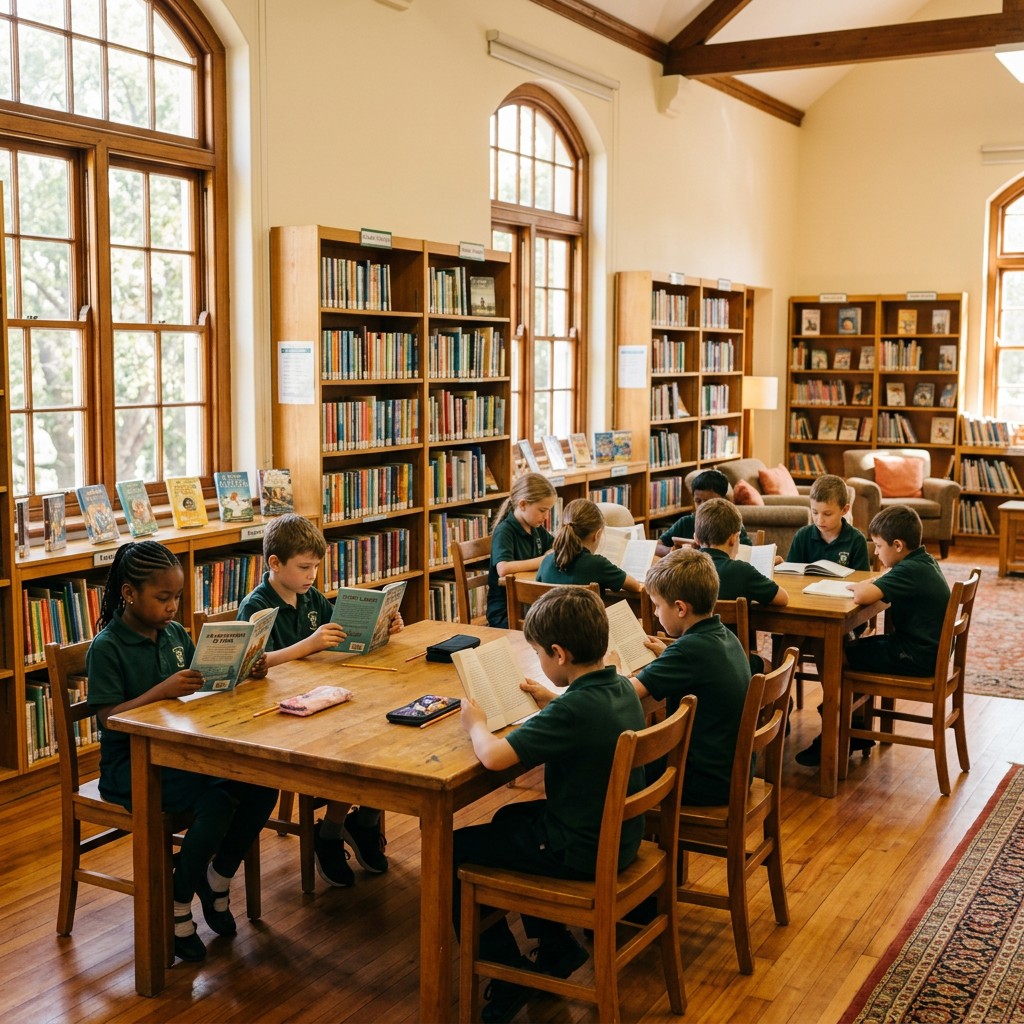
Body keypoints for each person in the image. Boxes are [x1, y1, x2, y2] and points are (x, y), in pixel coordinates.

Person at [453, 586, 647, 1023]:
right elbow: (582, 714)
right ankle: (556, 944)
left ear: (558, 653)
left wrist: (476, 724)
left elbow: (494, 757)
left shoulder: (572, 710)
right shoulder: (616, 685)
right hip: (618, 840)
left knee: (452, 850)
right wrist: (552, 699)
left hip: (579, 851)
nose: (539, 660)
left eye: (539, 652)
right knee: (509, 816)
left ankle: (507, 974)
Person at [87, 541, 278, 963]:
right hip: (131, 767)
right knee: (215, 805)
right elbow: (106, 719)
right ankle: (177, 904)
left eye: (177, 597)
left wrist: (247, 667)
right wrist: (162, 691)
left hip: (182, 754)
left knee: (263, 787)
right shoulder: (107, 647)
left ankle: (218, 876)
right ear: (130, 593)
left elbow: (203, 684)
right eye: (163, 598)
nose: (173, 607)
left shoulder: (174, 633)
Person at [236, 514, 403, 887]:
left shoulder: (309, 597)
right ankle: (331, 831)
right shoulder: (257, 605)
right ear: (274, 564)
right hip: (274, 713)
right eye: (304, 567)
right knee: (348, 750)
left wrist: (383, 626)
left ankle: (365, 820)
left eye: (316, 567)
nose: (312, 575)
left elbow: (338, 636)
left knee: (379, 734)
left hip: (317, 700)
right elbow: (253, 666)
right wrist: (308, 645)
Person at [794, 505, 950, 767]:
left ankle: (835, 729)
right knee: (848, 647)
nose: (875, 552)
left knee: (830, 648)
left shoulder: (909, 571)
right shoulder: (923, 561)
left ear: (898, 545)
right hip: (922, 649)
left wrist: (863, 585)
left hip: (915, 656)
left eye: (878, 546)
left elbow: (863, 595)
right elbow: (884, 578)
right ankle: (850, 724)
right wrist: (874, 580)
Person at [622, 548, 751, 807]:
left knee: (608, 771)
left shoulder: (688, 651)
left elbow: (626, 693)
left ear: (680, 608)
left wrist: (611, 669)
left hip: (701, 781)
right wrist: (668, 653)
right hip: (730, 772)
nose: (656, 613)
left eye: (658, 606)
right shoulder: (723, 634)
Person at [486, 473, 557, 628]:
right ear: (523, 504)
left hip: (530, 604)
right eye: (542, 510)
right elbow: (503, 568)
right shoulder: (505, 531)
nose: (546, 516)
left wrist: (551, 552)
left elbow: (555, 546)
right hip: (505, 611)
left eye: (548, 511)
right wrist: (544, 560)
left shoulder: (535, 528)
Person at [536, 498, 642, 592]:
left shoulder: (547, 561)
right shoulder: (598, 564)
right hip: (587, 615)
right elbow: (635, 587)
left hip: (550, 614)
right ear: (597, 534)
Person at [654, 469, 751, 557]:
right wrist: (673, 551)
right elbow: (657, 546)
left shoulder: (732, 523)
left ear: (723, 500)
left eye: (709, 501)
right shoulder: (685, 522)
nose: (702, 506)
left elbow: (749, 552)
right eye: (698, 501)